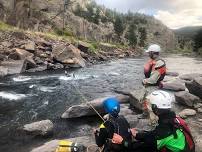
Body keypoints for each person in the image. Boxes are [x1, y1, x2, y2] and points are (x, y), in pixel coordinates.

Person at [113, 90, 195, 152]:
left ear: (156, 109)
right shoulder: (171, 118)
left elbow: (142, 147)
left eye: (151, 104)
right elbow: (154, 134)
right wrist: (137, 135)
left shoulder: (163, 131)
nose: (148, 106)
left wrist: (123, 141)